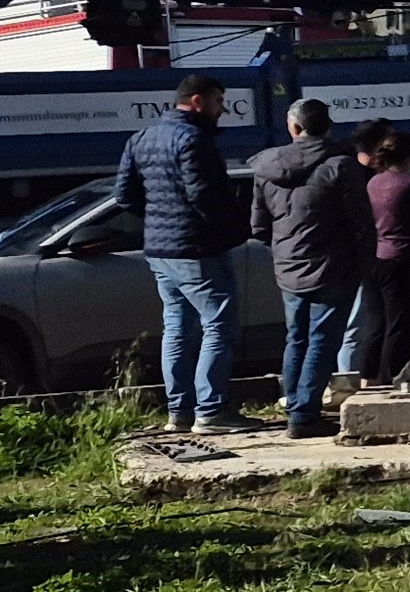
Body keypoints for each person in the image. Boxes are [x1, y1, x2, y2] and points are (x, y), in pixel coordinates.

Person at [111, 74, 247, 432]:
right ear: (198, 101)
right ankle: (212, 411)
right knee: (219, 324)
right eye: (219, 102)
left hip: (158, 249)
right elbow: (203, 194)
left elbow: (124, 196)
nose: (223, 110)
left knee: (176, 327)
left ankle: (179, 413)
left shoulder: (140, 138)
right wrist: (232, 230)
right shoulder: (194, 139)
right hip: (196, 248)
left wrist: (158, 215)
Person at [245, 98, 370, 437]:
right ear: (327, 127)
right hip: (334, 266)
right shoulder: (341, 166)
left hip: (288, 267)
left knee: (296, 338)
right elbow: (361, 222)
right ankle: (303, 416)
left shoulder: (266, 167)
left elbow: (258, 226)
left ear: (293, 128)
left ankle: (294, 404)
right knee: (321, 341)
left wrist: (285, 248)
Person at [351, 125, 410, 385]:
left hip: (375, 258)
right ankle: (390, 376)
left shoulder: (374, 183)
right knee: (401, 324)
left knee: (377, 322)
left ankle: (368, 376)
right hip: (403, 259)